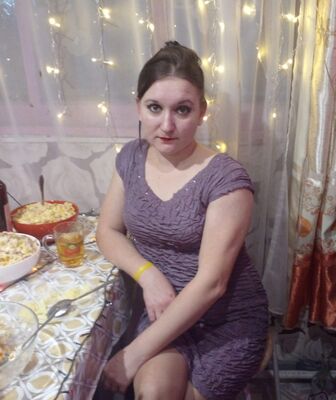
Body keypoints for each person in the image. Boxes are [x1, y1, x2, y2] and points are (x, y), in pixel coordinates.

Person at [96, 41, 269, 400]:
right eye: (154, 108)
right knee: (154, 392)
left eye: (183, 110)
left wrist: (132, 354)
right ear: (138, 107)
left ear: (202, 111)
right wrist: (149, 276)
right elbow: (107, 231)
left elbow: (212, 284)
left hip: (226, 319)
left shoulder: (226, 178)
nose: (167, 125)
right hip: (164, 311)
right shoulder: (130, 157)